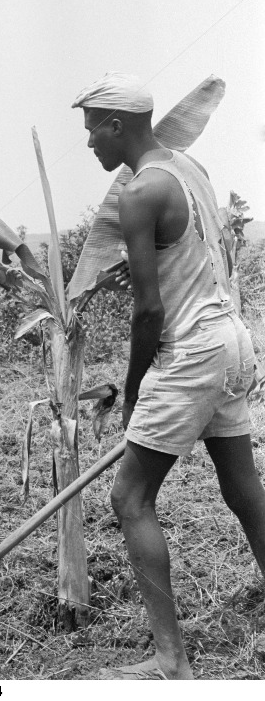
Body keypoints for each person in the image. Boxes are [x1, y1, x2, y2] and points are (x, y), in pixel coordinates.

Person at [73, 72, 265, 679]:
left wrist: (131, 396)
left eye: (92, 132)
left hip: (193, 350)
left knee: (129, 495)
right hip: (233, 338)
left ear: (118, 125)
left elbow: (149, 310)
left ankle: (170, 659)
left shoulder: (138, 192)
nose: (89, 145)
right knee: (241, 487)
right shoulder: (190, 170)